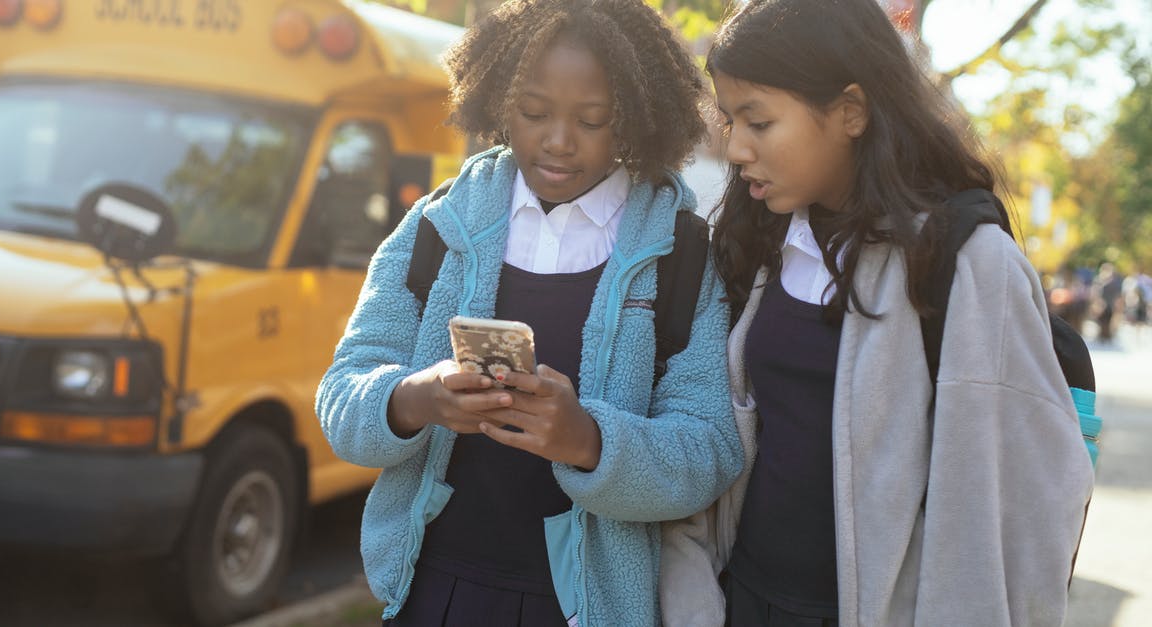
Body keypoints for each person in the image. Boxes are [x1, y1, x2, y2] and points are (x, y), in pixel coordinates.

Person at [659, 1, 1095, 625]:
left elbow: (1010, 523)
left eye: (758, 122)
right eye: (729, 121)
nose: (735, 148)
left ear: (851, 111)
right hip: (745, 601)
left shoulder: (966, 264)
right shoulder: (756, 247)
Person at [315, 1, 743, 625]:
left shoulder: (680, 254)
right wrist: (414, 399)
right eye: (534, 113)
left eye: (593, 120)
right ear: (497, 102)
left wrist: (588, 441)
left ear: (633, 120)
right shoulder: (438, 226)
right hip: (435, 591)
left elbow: (709, 452)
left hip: (589, 609)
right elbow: (340, 396)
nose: (558, 141)